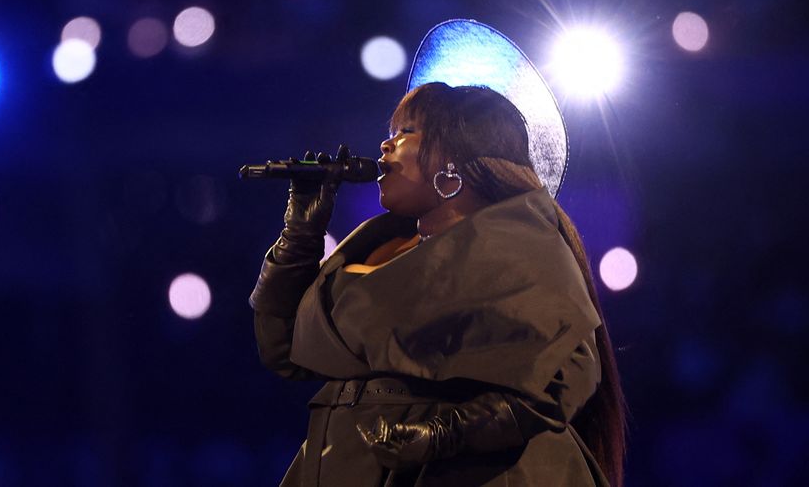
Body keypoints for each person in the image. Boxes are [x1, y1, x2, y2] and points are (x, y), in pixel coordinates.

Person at [250, 82, 627, 486]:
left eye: (404, 133)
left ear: (454, 157)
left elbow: (565, 376)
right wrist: (300, 236)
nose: (385, 145)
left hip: (463, 473)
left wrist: (445, 433)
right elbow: (284, 349)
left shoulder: (521, 247)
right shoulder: (375, 247)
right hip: (346, 462)